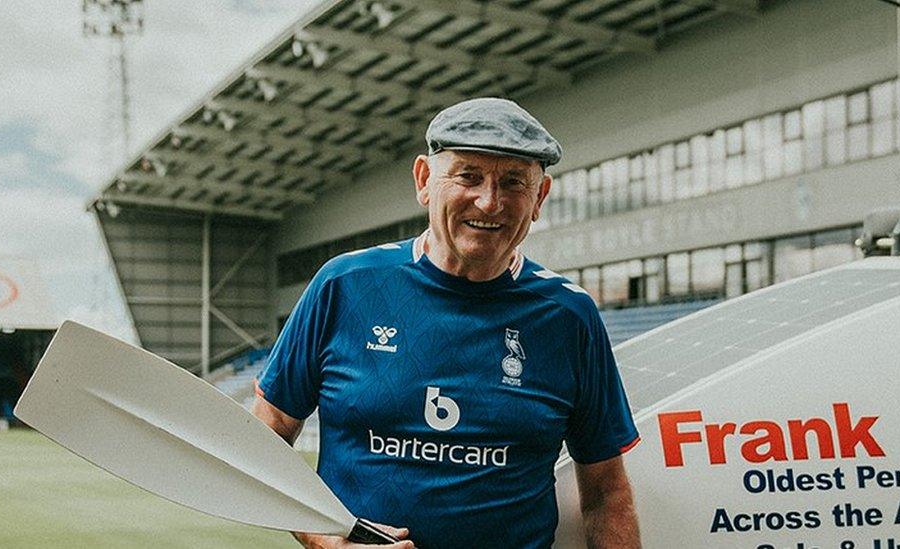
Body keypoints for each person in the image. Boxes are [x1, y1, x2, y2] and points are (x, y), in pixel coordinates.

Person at [253, 97, 641, 549]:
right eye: (468, 176)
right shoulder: (345, 286)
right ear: (424, 180)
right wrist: (324, 539)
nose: (489, 201)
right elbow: (267, 435)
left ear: (539, 197)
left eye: (513, 182)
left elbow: (605, 494)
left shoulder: (569, 317)